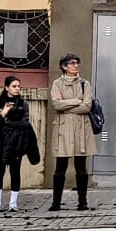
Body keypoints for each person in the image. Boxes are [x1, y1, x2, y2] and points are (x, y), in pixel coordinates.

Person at [47, 53, 96, 212]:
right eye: (73, 63)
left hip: (81, 128)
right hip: (63, 128)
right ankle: (56, 203)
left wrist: (66, 104)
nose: (76, 66)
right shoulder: (57, 84)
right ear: (64, 66)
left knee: (81, 167)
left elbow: (87, 106)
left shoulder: (85, 84)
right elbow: (56, 105)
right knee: (60, 167)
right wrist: (76, 101)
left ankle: (83, 202)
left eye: (77, 63)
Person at [0, 76, 39, 212]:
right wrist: (4, 112)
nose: (17, 89)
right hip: (0, 141)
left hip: (17, 142)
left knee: (15, 171)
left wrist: (7, 122)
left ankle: (13, 203)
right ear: (6, 88)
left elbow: (25, 123)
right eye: (14, 86)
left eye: (18, 86)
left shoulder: (23, 104)